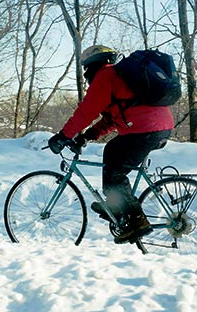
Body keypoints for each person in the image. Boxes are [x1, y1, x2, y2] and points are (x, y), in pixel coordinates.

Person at [48, 45, 175, 244]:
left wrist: (63, 135)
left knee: (115, 171)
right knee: (113, 151)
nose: (85, 75)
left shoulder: (105, 76)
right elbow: (111, 118)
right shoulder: (118, 78)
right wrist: (88, 135)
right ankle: (117, 205)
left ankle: (137, 220)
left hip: (145, 129)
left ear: (91, 65)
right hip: (159, 127)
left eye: (85, 70)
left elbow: (85, 111)